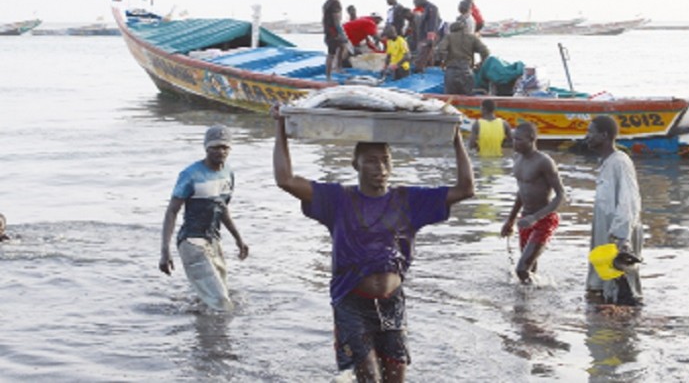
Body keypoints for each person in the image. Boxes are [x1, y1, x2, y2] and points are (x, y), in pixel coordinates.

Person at [272, 107, 474, 382]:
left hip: (392, 303)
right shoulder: (337, 199)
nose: (380, 168)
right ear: (355, 164)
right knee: (369, 377)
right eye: (370, 161)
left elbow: (466, 189)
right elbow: (285, 179)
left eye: (385, 161)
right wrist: (281, 126)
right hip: (352, 302)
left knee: (395, 378)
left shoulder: (409, 200)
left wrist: (455, 137)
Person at [159, 124, 249, 311]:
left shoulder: (228, 173)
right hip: (192, 241)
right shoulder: (190, 175)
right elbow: (172, 211)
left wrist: (239, 239)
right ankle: (219, 338)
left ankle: (204, 333)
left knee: (219, 293)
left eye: (225, 147)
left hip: (213, 240)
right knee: (221, 303)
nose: (220, 151)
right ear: (206, 148)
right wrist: (165, 251)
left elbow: (222, 209)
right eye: (215, 147)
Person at [584, 115, 643, 306]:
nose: (587, 137)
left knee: (623, 289)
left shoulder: (620, 162)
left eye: (591, 133)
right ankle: (607, 328)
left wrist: (622, 238)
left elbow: (629, 201)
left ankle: (624, 330)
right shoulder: (606, 163)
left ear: (604, 135)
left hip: (618, 235)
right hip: (606, 231)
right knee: (603, 286)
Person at [500, 122, 565, 283]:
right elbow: (521, 192)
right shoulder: (517, 159)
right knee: (530, 267)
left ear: (532, 139)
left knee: (522, 269)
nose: (514, 143)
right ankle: (529, 303)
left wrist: (535, 217)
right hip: (525, 219)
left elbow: (561, 195)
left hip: (544, 219)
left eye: (519, 140)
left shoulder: (544, 162)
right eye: (513, 139)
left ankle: (536, 297)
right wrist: (510, 220)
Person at [435, 20, 490, 95]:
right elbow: (485, 51)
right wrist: (480, 64)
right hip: (466, 70)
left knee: (450, 97)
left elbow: (440, 50)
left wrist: (442, 61)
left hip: (451, 70)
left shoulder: (449, 37)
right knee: (467, 97)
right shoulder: (472, 37)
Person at [323, 0, 348, 81]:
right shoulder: (335, 3)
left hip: (328, 30)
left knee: (342, 47)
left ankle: (338, 68)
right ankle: (329, 76)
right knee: (331, 53)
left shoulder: (328, 2)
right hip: (333, 32)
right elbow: (336, 21)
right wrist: (342, 34)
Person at [410, 0, 441, 73]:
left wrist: (430, 39)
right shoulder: (425, 9)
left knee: (422, 57)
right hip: (424, 37)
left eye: (415, 1)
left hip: (427, 38)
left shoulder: (432, 8)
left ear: (421, 0)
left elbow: (432, 23)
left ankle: (420, 73)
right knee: (427, 57)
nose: (414, 3)